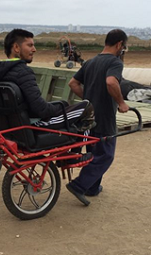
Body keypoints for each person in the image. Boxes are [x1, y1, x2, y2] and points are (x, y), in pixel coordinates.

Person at [0, 28, 94, 156]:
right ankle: (73, 155)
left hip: (11, 128)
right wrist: (59, 108)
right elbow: (40, 109)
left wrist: (60, 106)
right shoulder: (23, 72)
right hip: (33, 126)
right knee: (86, 107)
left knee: (63, 105)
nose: (34, 49)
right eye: (30, 45)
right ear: (16, 48)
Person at [66, 29, 130, 206]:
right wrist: (121, 103)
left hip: (89, 116)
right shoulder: (115, 63)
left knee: (94, 151)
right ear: (119, 45)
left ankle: (92, 188)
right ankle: (79, 185)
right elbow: (111, 81)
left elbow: (73, 83)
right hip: (104, 116)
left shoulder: (91, 62)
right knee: (106, 155)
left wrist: (88, 99)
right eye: (123, 47)